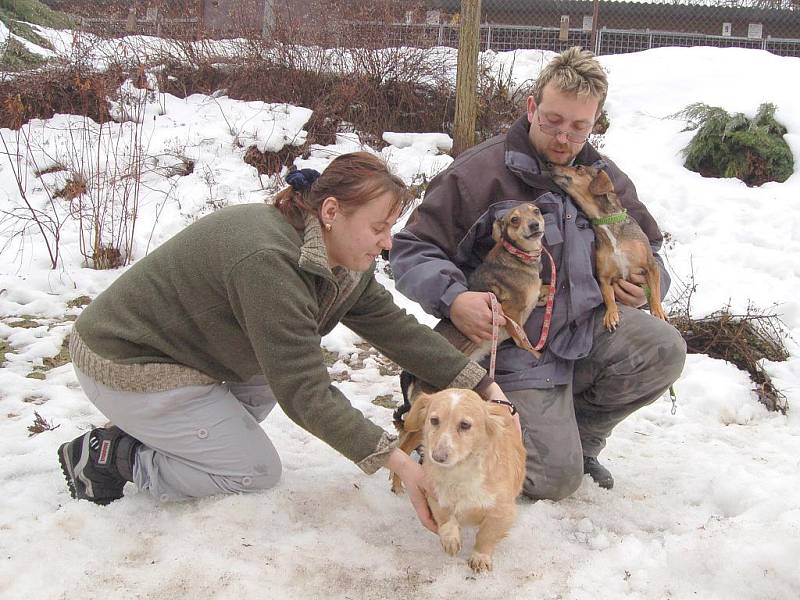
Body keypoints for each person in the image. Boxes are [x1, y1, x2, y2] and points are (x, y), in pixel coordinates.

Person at [58, 151, 513, 531]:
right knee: (250, 470)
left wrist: (483, 386)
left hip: (191, 354)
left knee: (263, 380)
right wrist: (403, 465)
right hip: (126, 362)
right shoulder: (268, 262)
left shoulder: (339, 256)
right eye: (379, 228)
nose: (388, 243)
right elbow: (304, 391)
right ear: (332, 212)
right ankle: (112, 456)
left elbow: (396, 329)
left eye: (391, 228)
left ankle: (164, 432)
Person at [390, 47, 686, 500]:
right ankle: (436, 422)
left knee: (662, 348)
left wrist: (646, 284)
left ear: (595, 124)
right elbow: (412, 249)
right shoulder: (479, 174)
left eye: (579, 127)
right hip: (513, 351)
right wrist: (455, 299)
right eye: (552, 120)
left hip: (583, 332)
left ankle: (578, 441)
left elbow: (651, 246)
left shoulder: (603, 177)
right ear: (532, 107)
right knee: (552, 481)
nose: (564, 137)